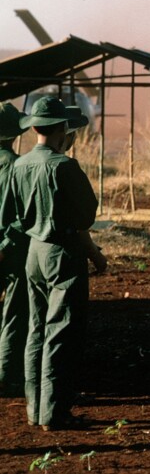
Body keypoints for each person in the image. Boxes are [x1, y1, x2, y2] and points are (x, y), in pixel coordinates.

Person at [1, 96, 105, 430]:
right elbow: (87, 214)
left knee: (36, 328)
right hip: (62, 252)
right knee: (61, 330)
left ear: (33, 128)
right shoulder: (65, 166)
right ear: (62, 128)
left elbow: (12, 215)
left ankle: (35, 408)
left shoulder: (18, 165)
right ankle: (54, 412)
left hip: (33, 252)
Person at [0, 102, 29, 397]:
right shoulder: (13, 164)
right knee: (12, 314)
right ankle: (5, 376)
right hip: (9, 251)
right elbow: (20, 216)